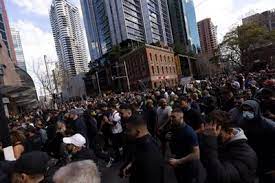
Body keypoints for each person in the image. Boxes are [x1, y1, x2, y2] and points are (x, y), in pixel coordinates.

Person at [199, 110, 258, 183]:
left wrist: (210, 142)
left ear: (230, 131)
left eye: (218, 136)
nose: (215, 140)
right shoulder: (219, 143)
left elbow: (221, 177)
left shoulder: (246, 155)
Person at [239, 100, 275, 182]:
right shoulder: (242, 122)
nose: (246, 113)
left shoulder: (269, 126)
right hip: (250, 158)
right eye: (244, 110)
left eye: (250, 110)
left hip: (266, 159)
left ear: (256, 110)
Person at [121, 115, 164, 183]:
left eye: (128, 130)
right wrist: (132, 165)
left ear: (138, 132)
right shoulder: (141, 141)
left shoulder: (149, 153)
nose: (125, 133)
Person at [167, 108, 205, 183]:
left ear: (181, 117)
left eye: (174, 117)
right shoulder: (173, 127)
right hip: (178, 164)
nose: (171, 119)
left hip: (188, 167)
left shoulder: (189, 132)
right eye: (171, 116)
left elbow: (196, 154)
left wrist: (178, 161)